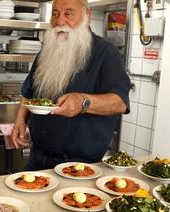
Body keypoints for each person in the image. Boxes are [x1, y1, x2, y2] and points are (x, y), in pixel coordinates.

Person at [11, 0, 131, 170]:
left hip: (80, 167)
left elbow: (120, 102)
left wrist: (83, 102)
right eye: (55, 13)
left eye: (68, 13)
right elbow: (28, 92)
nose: (59, 21)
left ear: (86, 16)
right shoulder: (46, 52)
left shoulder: (106, 54)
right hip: (37, 159)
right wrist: (20, 120)